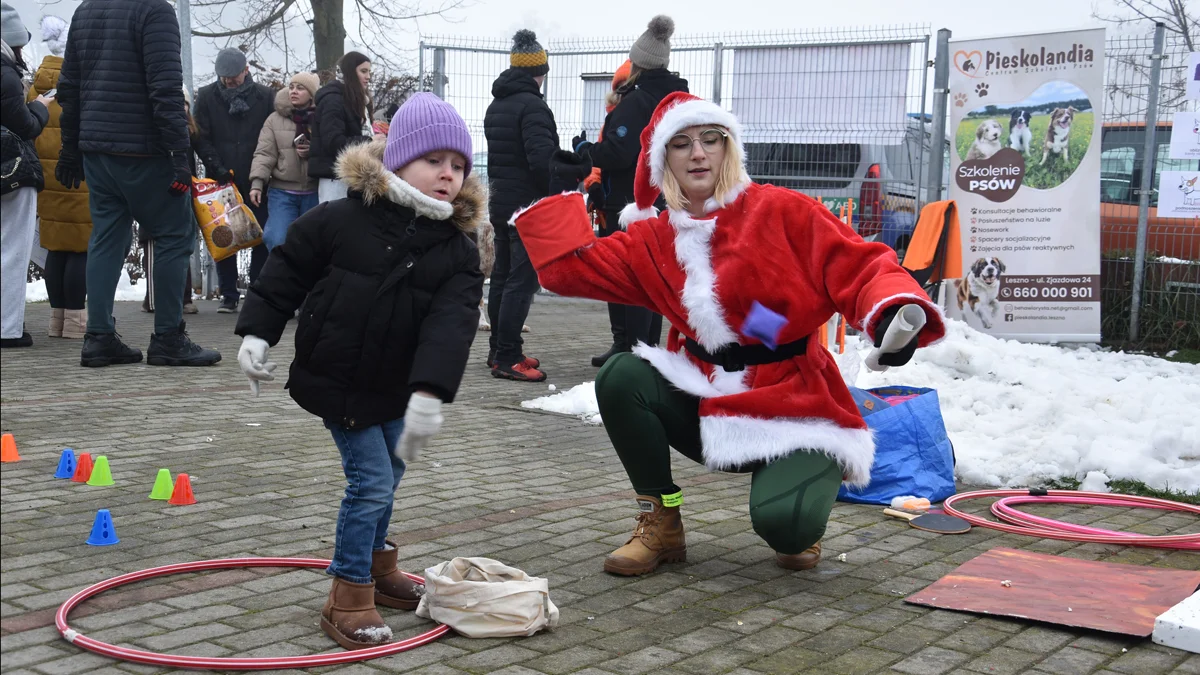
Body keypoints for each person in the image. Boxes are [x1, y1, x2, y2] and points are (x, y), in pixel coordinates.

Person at [516, 91, 947, 576]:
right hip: (706, 398)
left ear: (728, 148)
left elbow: (864, 267)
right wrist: (558, 193)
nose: (698, 153)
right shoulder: (651, 239)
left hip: (794, 402)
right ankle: (662, 517)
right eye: (681, 144)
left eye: (710, 139)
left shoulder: (786, 211)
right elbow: (568, 272)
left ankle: (795, 507)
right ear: (664, 161)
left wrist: (891, 314)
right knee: (622, 375)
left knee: (788, 530)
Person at [234, 93, 485, 649]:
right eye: (434, 160)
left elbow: (452, 324)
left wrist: (429, 392)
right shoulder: (343, 218)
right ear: (398, 159)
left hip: (397, 387)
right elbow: (287, 270)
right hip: (339, 377)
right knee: (371, 481)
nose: (448, 174)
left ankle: (376, 566)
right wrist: (258, 331)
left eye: (458, 165)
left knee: (389, 478)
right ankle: (347, 592)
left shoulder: (457, 249)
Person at [56, 0, 220, 367]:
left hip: (96, 149)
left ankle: (98, 336)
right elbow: (165, 88)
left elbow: (69, 86)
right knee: (174, 234)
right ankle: (168, 337)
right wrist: (180, 154)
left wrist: (71, 147)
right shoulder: (154, 10)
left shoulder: (86, 10)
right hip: (145, 151)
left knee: (105, 238)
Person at [576, 16, 687, 367]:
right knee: (653, 276)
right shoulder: (675, 97)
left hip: (628, 201)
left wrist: (585, 150)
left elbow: (619, 153)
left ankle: (631, 350)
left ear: (638, 63)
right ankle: (644, 347)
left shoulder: (637, 102)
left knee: (628, 276)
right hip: (665, 200)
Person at [483, 29, 559, 382]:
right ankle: (508, 357)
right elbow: (541, 160)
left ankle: (498, 348)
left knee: (501, 276)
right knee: (521, 281)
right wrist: (558, 188)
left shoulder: (496, 104)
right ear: (540, 71)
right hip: (526, 207)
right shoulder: (533, 106)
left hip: (500, 202)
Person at [192, 48, 272, 313]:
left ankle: (256, 289)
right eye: (223, 77)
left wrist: (261, 169)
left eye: (233, 76)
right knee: (224, 236)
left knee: (260, 234)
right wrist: (217, 166)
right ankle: (228, 294)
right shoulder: (206, 97)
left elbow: (269, 136)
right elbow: (200, 137)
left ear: (245, 70)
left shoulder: (264, 97)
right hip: (220, 179)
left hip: (256, 176)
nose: (228, 81)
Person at [27, 15, 89, 340]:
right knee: (80, 248)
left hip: (46, 181)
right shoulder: (82, 81)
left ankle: (56, 321)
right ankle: (77, 324)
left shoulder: (35, 88)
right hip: (79, 177)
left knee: (55, 248)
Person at [143, 87, 221, 315]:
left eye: (185, 104)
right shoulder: (152, 129)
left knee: (181, 243)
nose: (182, 108)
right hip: (153, 192)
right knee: (153, 243)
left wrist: (220, 170)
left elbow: (205, 149)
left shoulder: (190, 130)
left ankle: (184, 296)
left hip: (182, 193)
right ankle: (153, 298)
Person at [0, 3, 51, 349]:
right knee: (13, 251)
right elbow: (26, 125)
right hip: (12, 170)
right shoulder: (5, 73)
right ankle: (8, 328)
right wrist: (40, 107)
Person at [249, 72, 320, 251]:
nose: (294, 91)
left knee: (313, 245)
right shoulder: (274, 119)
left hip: (314, 191)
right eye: (291, 87)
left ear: (311, 94)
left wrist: (313, 151)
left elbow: (332, 148)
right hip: (282, 192)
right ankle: (280, 278)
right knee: (278, 239)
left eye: (300, 88)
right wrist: (257, 183)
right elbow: (265, 153)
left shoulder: (322, 118)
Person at [309, 51, 374, 203]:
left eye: (369, 72)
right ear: (350, 72)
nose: (368, 77)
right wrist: (370, 141)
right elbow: (333, 142)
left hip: (351, 176)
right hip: (335, 178)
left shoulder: (358, 101)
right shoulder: (333, 100)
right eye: (363, 71)